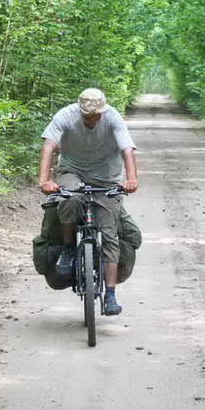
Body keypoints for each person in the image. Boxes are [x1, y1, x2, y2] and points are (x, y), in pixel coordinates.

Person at [37, 88, 138, 316]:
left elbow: (127, 150)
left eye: (96, 116)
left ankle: (110, 295)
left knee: (110, 232)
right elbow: (49, 146)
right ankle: (68, 248)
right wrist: (44, 180)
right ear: (80, 110)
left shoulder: (113, 117)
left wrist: (131, 179)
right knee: (70, 200)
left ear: (103, 110)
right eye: (87, 116)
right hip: (72, 171)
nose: (92, 120)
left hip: (107, 177)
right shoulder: (65, 115)